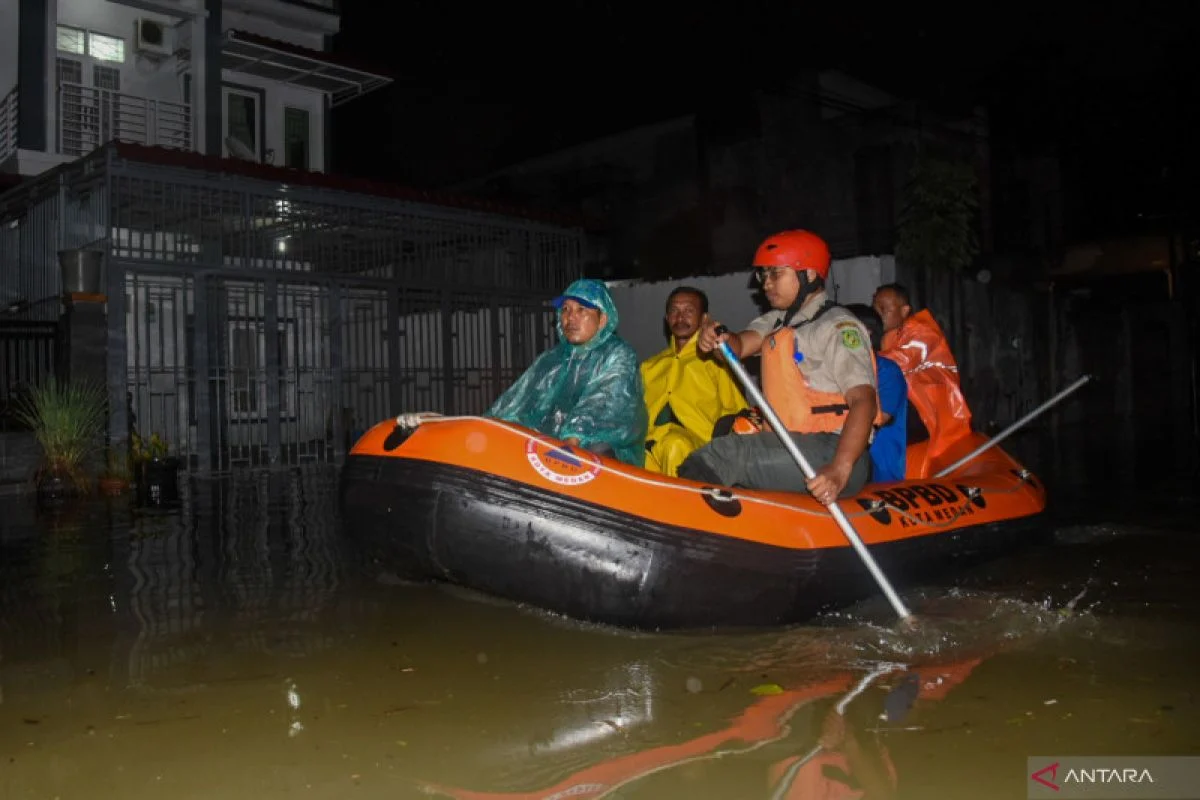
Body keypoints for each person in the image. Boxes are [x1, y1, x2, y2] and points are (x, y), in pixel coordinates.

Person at [676, 230, 881, 503]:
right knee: (727, 438)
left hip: (835, 451)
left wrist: (839, 470)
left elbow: (863, 401)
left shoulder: (838, 326)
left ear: (807, 275)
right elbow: (738, 346)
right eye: (764, 275)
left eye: (775, 274)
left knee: (724, 455)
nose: (766, 284)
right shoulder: (777, 322)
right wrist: (718, 339)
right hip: (790, 444)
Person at [397, 278, 648, 465]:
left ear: (602, 319)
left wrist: (572, 439)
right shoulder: (552, 360)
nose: (570, 318)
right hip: (549, 453)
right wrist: (487, 428)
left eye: (582, 310)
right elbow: (518, 403)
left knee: (595, 448)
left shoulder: (618, 354)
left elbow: (605, 404)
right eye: (566, 310)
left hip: (602, 456)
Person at [640, 286, 748, 476]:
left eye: (689, 311)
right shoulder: (649, 366)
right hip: (650, 445)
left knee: (674, 444)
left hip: (698, 449)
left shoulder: (717, 362)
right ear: (666, 319)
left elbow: (737, 413)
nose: (680, 318)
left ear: (704, 318)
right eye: (674, 311)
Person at [872, 283, 972, 475]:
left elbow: (894, 364)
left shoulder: (921, 332)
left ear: (904, 310)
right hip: (910, 407)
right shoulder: (888, 336)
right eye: (875, 307)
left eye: (884, 308)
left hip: (931, 410)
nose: (877, 313)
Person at [845, 304, 908, 483]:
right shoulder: (837, 370)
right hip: (844, 466)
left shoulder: (887, 371)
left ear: (866, 332)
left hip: (877, 473)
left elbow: (879, 418)